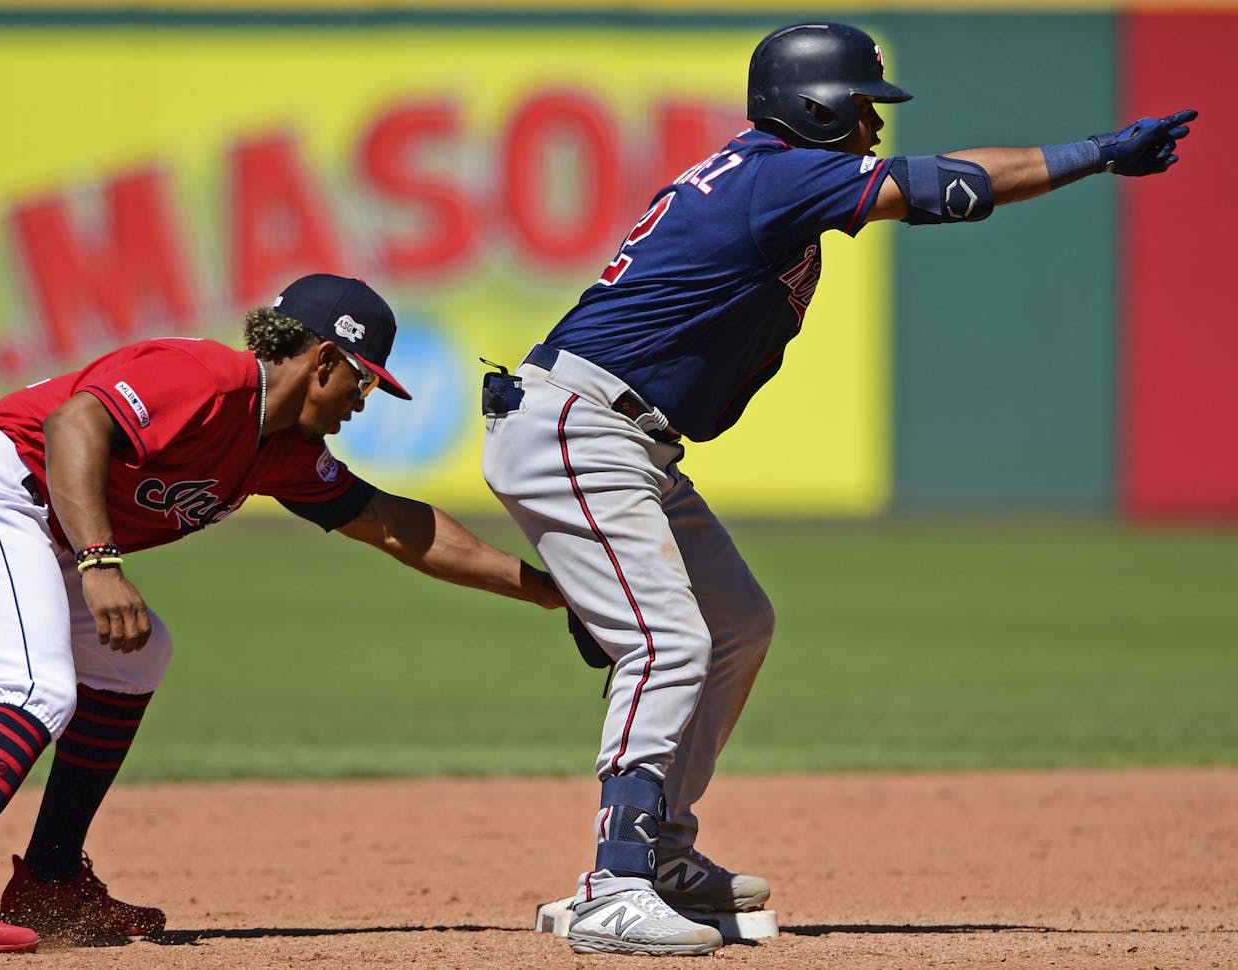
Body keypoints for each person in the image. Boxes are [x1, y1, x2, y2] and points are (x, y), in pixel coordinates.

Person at [481, 21, 1196, 957]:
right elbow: (955, 187)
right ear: (812, 105)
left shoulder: (761, 172)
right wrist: (1095, 154)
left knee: (737, 623)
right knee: (668, 640)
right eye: (861, 106)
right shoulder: (779, 173)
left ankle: (657, 852)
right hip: (581, 425)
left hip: (623, 438)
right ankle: (612, 883)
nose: (873, 125)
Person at [0, 272, 564, 953]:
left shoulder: (282, 450)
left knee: (133, 657)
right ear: (325, 359)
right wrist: (100, 561)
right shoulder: (207, 377)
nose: (363, 399)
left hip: (31, 517)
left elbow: (391, 524)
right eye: (365, 379)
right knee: (32, 690)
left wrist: (545, 588)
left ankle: (49, 879)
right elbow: (73, 422)